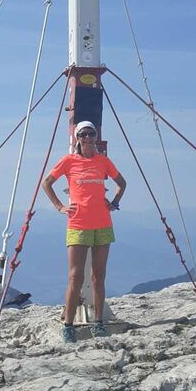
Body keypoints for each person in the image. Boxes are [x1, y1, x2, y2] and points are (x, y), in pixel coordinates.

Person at [42, 120, 127, 342]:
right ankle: (68, 325)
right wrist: (60, 207)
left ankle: (98, 323)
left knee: (99, 276)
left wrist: (114, 202)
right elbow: (47, 183)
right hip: (78, 224)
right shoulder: (68, 161)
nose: (88, 138)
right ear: (77, 138)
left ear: (95, 137)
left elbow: (122, 183)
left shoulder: (103, 161)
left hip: (103, 224)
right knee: (75, 277)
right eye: (83, 134)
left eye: (91, 134)